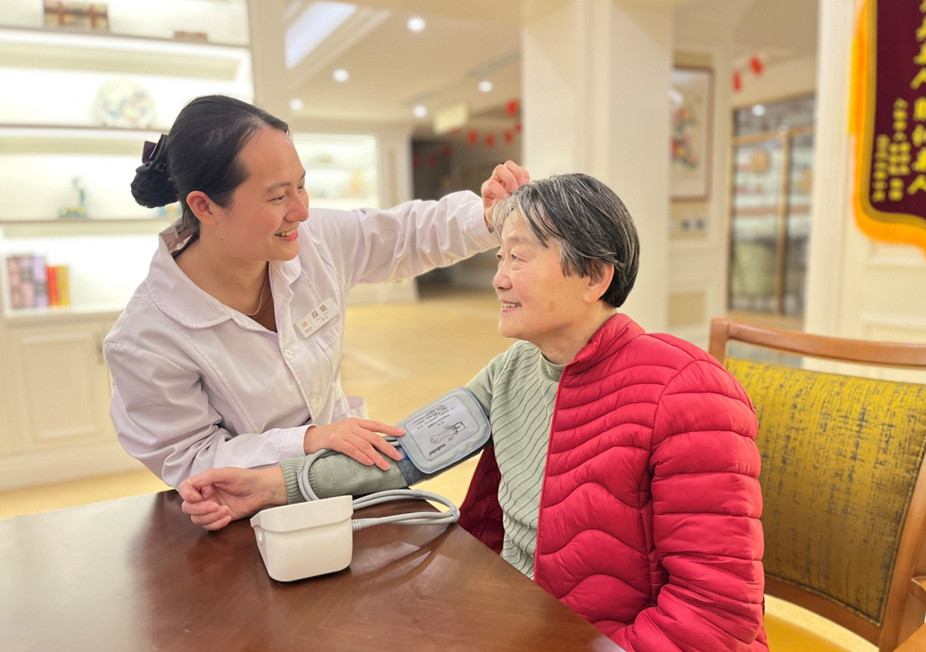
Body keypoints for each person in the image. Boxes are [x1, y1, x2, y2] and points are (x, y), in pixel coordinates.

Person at [179, 173, 768, 651]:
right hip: (517, 619)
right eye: (500, 256)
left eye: (519, 257)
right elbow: (402, 452)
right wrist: (267, 486)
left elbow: (715, 620)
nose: (499, 277)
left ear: (594, 276)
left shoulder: (689, 393)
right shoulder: (513, 371)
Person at [103, 94, 529, 489]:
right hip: (243, 517)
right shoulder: (146, 338)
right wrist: (308, 440)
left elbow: (404, 236)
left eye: (301, 186)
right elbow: (190, 459)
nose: (302, 211)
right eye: (277, 197)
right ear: (204, 206)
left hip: (340, 478)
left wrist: (487, 216)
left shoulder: (312, 238)